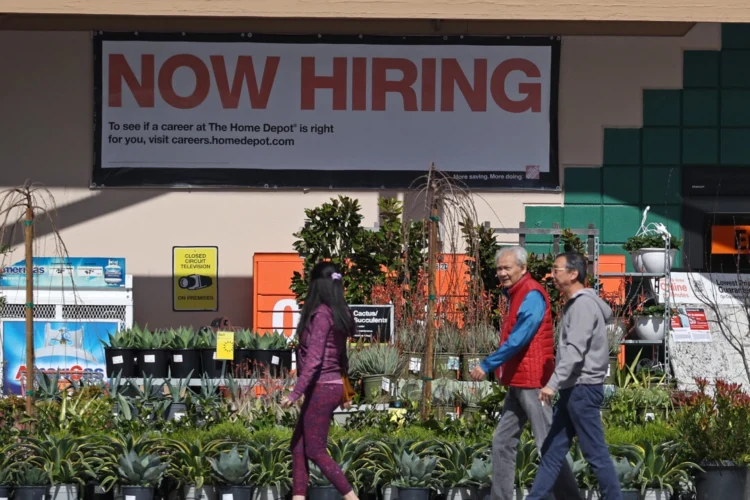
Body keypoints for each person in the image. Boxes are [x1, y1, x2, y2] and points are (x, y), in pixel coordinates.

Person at [470, 246, 581, 500]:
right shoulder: (517, 293)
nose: (502, 273)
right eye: (499, 268)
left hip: (533, 382)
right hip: (519, 380)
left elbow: (520, 338)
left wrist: (487, 364)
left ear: (523, 268)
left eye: (507, 268)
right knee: (502, 442)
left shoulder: (531, 294)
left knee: (547, 445)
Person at [525, 251, 622, 500]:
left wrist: (552, 384)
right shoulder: (578, 305)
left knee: (595, 454)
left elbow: (575, 352)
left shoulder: (582, 306)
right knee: (553, 452)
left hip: (582, 389)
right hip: (574, 389)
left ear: (573, 273)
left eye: (556, 270)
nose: (552, 275)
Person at [280, 261, 359, 500]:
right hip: (332, 385)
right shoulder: (341, 312)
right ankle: (299, 496)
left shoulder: (323, 314)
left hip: (322, 387)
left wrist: (294, 394)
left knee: (314, 450)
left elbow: (314, 360)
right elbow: (342, 356)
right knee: (298, 445)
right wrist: (346, 390)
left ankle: (351, 498)